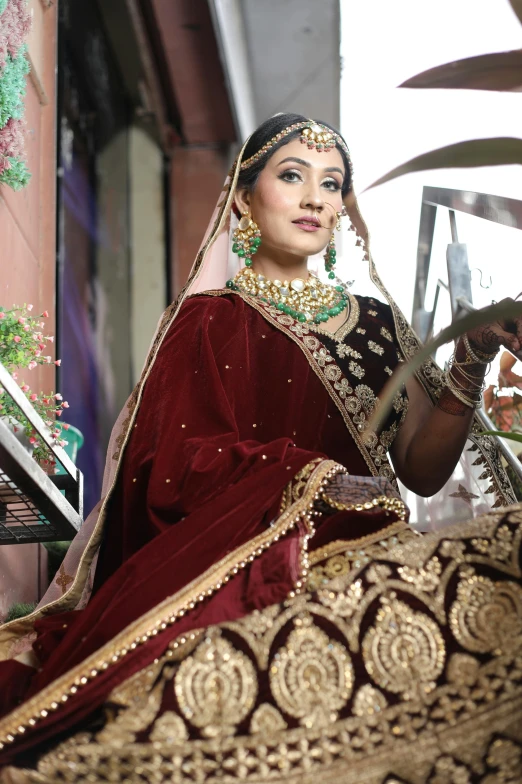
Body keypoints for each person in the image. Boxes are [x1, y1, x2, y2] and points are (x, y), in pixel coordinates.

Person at [0, 113, 521, 782]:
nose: (314, 198)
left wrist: (472, 359)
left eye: (332, 184)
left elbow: (421, 470)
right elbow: (167, 467)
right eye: (292, 176)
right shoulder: (211, 317)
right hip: (254, 560)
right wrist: (311, 479)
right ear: (244, 198)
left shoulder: (381, 324)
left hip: (376, 551)